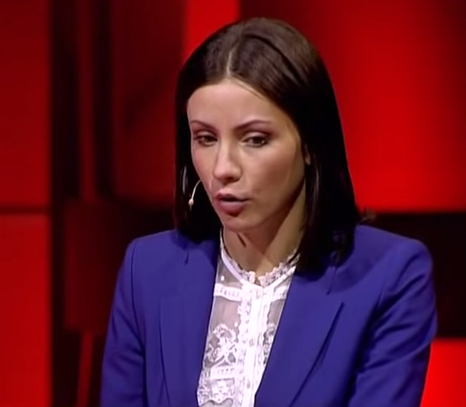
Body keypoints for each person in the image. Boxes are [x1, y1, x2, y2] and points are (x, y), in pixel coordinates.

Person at [99, 17, 437, 407]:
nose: (223, 168)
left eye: (255, 139)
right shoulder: (147, 270)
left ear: (310, 144)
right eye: (205, 138)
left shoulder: (390, 275)